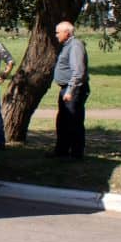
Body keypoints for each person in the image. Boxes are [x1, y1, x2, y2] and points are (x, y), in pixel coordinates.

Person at [50, 21, 89, 160]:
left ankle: (76, 154)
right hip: (65, 88)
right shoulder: (67, 46)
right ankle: (62, 150)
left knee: (74, 121)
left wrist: (70, 90)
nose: (56, 35)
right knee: (63, 121)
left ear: (67, 33)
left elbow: (78, 71)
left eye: (57, 32)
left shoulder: (75, 46)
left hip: (73, 89)